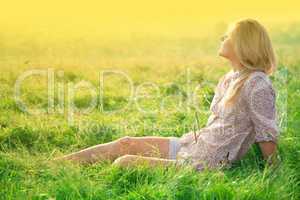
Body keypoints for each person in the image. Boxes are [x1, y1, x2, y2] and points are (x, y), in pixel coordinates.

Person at [55, 18, 280, 171]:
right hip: (193, 145)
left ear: (243, 43)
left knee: (124, 163)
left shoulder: (257, 84)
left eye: (228, 36)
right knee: (126, 144)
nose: (223, 38)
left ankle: (58, 166)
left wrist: (273, 172)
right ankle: (54, 164)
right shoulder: (232, 76)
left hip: (206, 162)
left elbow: (266, 133)